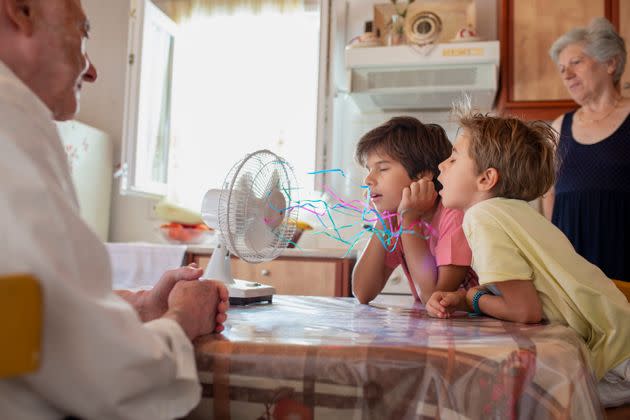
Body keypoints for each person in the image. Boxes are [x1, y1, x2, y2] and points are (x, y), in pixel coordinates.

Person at [0, 0, 228, 418]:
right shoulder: (10, 118)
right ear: (21, 10)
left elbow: (22, 314)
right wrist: (182, 320)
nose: (92, 70)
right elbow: (99, 373)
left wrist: (140, 305)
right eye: (83, 34)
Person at [425, 103, 630, 407]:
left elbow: (525, 310)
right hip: (620, 341)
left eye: (454, 157)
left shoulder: (482, 217)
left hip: (614, 360)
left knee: (499, 396)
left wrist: (470, 299)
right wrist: (468, 295)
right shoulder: (513, 213)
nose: (442, 164)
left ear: (486, 179)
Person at [352, 116, 477, 305]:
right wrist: (384, 218)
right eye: (369, 170)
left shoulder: (453, 214)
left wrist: (410, 220)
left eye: (382, 168)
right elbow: (362, 292)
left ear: (422, 175)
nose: (368, 180)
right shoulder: (393, 219)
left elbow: (433, 297)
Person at [544, 17, 630, 281]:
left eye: (576, 63)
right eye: (561, 69)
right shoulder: (560, 126)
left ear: (610, 63)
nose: (567, 75)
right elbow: (550, 196)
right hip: (574, 271)